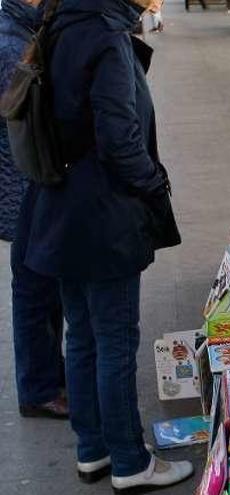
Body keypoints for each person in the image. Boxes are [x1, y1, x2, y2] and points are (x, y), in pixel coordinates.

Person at [17, 0, 191, 490]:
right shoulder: (106, 37)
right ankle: (130, 460)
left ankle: (94, 448)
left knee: (84, 334)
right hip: (103, 214)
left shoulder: (62, 24)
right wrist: (154, 183)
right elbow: (120, 138)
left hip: (63, 210)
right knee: (114, 339)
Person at [0, 0, 68, 419]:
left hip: (27, 178)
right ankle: (40, 389)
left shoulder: (27, 26)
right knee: (34, 287)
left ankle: (47, 379)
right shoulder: (11, 40)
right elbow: (29, 116)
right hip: (23, 182)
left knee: (40, 285)